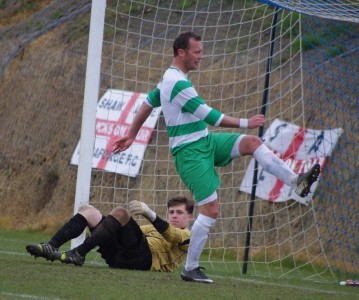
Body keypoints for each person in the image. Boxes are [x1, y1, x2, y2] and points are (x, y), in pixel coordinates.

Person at [112, 31, 320, 283]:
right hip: (189, 153)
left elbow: (147, 104)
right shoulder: (177, 84)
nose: (201, 56)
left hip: (205, 141)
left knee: (252, 144)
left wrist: (132, 135)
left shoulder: (171, 78)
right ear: (181, 53)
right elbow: (211, 116)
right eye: (197, 52)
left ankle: (296, 181)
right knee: (210, 210)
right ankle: (190, 268)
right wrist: (247, 122)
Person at [26, 196, 194, 272]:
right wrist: (103, 223)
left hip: (145, 261)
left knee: (121, 212)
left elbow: (172, 235)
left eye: (179, 212)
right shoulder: (151, 229)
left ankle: (78, 253)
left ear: (189, 216)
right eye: (171, 212)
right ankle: (52, 245)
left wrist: (149, 213)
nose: (174, 215)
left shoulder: (189, 236)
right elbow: (120, 231)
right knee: (89, 211)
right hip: (120, 257)